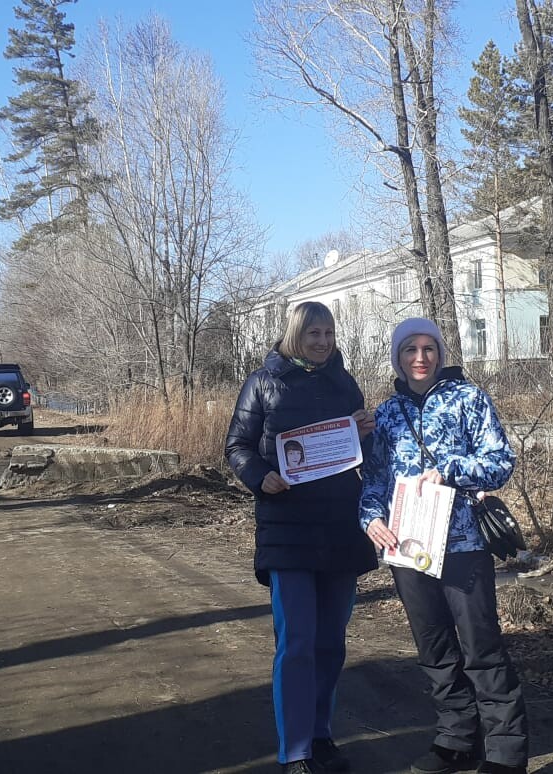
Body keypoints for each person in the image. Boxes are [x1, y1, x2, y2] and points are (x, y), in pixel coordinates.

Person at [359, 318, 529, 774]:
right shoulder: (387, 414)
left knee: (481, 648)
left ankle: (505, 753)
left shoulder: (468, 399)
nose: (420, 357)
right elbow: (374, 479)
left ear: (440, 352)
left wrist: (450, 470)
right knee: (434, 648)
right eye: (410, 349)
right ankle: (456, 739)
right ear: (397, 356)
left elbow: (499, 462)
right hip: (408, 547)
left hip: (462, 545)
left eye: (428, 347)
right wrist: (370, 518)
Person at [225, 301, 378, 774]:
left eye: (329, 333)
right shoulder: (263, 382)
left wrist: (365, 434)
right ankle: (295, 752)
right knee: (296, 644)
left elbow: (357, 455)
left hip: (338, 528)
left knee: (331, 643)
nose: (322, 342)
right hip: (287, 531)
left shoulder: (344, 382)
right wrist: (260, 476)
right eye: (313, 332)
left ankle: (321, 735)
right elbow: (237, 446)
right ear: (294, 334)